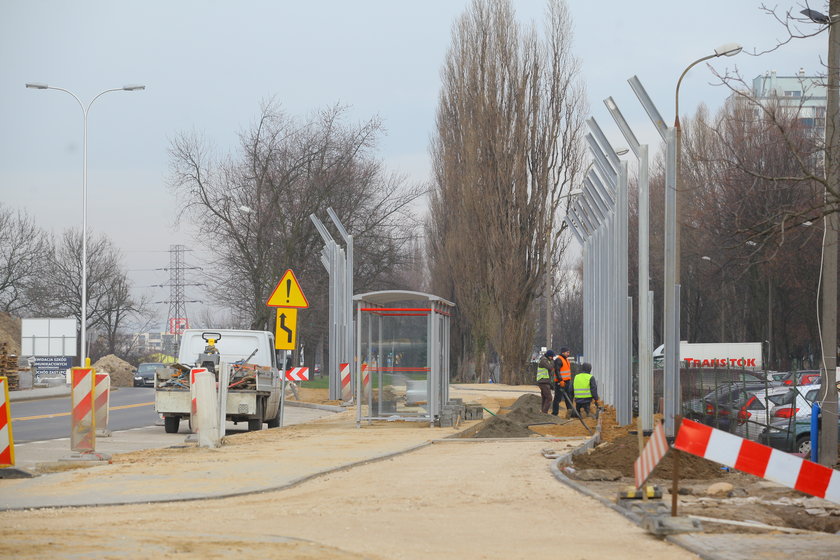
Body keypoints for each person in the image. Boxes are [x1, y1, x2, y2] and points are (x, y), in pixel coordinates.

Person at [551, 347, 574, 417]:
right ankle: (555, 413)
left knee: (568, 397)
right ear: (563, 352)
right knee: (558, 398)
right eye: (567, 352)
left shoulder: (566, 360)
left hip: (567, 382)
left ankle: (569, 411)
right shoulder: (558, 360)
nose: (568, 354)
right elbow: (557, 371)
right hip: (560, 382)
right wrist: (560, 380)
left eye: (568, 352)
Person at [536, 350, 556, 414]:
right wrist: (553, 362)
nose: (552, 358)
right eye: (551, 357)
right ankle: (544, 413)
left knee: (544, 398)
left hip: (544, 381)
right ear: (548, 356)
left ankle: (542, 411)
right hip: (543, 381)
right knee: (549, 398)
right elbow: (550, 367)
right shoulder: (544, 360)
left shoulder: (545, 360)